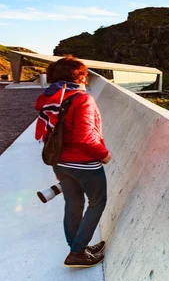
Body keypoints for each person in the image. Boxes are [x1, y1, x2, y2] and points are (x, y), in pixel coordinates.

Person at [34, 56, 111, 268]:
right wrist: (103, 153)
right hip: (84, 163)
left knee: (73, 204)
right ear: (80, 76)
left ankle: (77, 247)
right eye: (84, 75)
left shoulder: (52, 99)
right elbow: (85, 136)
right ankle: (77, 252)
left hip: (60, 161)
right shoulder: (82, 99)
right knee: (97, 203)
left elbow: (47, 132)